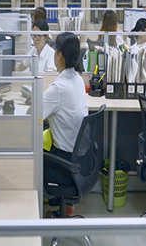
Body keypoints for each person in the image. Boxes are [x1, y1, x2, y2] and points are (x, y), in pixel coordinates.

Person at [43, 32, 88, 215]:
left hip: (64, 165)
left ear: (60, 55)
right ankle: (65, 205)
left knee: (32, 157)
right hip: (81, 160)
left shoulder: (58, 88)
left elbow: (34, 116)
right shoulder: (78, 79)